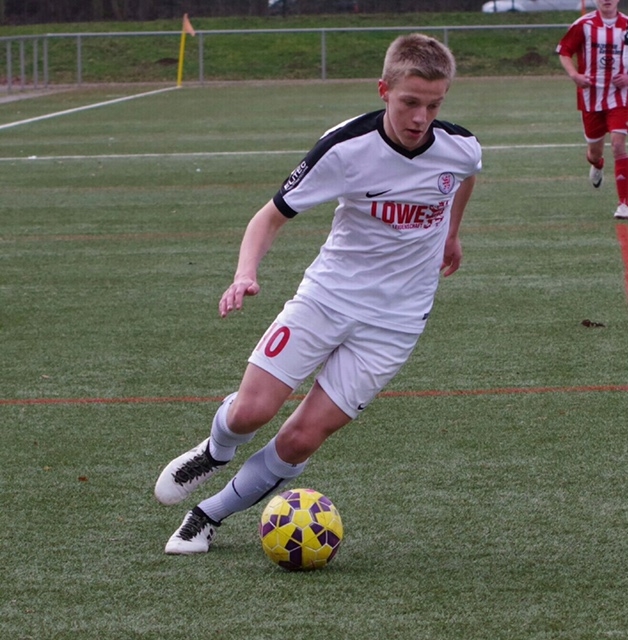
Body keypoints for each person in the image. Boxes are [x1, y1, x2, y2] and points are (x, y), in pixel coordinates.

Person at [154, 33, 482, 554]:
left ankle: (207, 515)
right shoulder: (345, 148)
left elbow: (465, 175)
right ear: (384, 90)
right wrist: (244, 273)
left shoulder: (461, 147)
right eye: (409, 103)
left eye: (434, 105)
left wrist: (452, 233)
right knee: (251, 412)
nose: (421, 118)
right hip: (327, 298)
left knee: (301, 438)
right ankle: (215, 451)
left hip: (396, 322)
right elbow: (268, 217)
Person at [556, 0, 628, 220]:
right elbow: (564, 51)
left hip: (620, 97)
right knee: (594, 152)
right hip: (591, 98)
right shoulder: (583, 25)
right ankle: (597, 164)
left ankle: (624, 203)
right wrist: (574, 75)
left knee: (618, 145)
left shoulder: (626, 25)